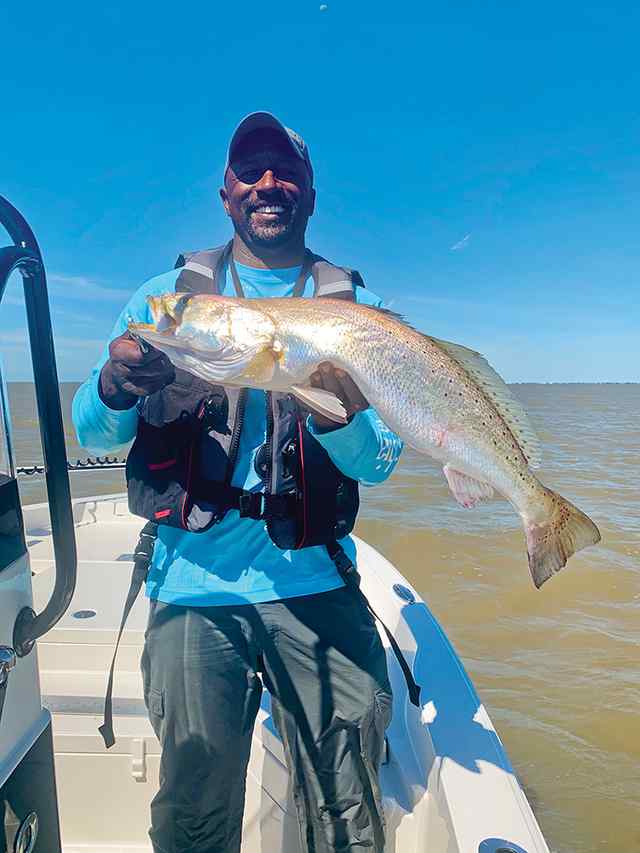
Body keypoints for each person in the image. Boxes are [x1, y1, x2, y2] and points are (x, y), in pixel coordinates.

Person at [73, 112, 403, 853]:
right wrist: (115, 384)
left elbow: (379, 461)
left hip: (315, 579)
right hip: (192, 584)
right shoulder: (167, 300)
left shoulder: (358, 312)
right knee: (194, 808)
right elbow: (90, 432)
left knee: (350, 805)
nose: (267, 184)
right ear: (225, 193)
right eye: (249, 171)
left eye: (284, 171)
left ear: (310, 193)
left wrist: (342, 415)